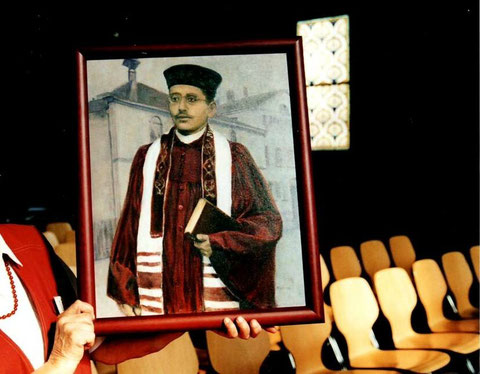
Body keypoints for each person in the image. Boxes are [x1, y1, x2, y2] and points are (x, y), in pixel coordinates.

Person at [107, 64, 283, 316]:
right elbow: (129, 225)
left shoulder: (235, 156)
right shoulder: (146, 157)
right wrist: (124, 288)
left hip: (216, 300)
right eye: (175, 99)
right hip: (159, 297)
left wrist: (222, 243)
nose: (181, 107)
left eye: (192, 99)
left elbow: (268, 223)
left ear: (211, 108)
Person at [0, 224, 277, 373]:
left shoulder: (29, 242)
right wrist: (59, 363)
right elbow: (67, 353)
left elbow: (100, 345)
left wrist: (197, 315)